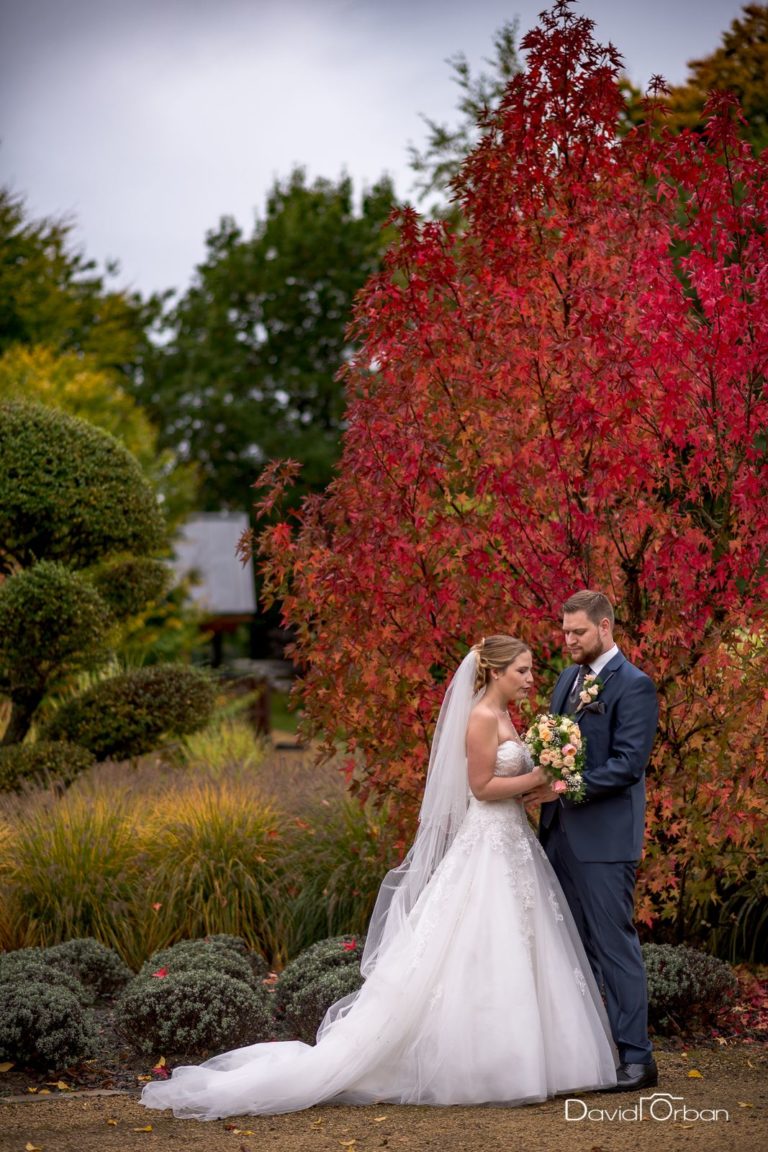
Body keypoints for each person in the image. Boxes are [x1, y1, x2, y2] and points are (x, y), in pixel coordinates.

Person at [141, 635, 617, 1121]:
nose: (530, 679)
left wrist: (550, 779)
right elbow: (482, 787)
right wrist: (537, 780)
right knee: (479, 943)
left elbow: (509, 785)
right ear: (495, 672)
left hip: (514, 842)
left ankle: (529, 1057)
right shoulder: (478, 718)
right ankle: (485, 1065)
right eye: (522, 670)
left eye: (530, 670)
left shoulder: (507, 718)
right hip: (488, 844)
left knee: (519, 944)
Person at [527, 591, 659, 1093]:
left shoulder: (635, 686)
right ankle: (590, 1053)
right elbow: (551, 742)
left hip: (604, 840)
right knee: (571, 946)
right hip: (558, 833)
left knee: (612, 946)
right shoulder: (567, 679)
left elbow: (629, 765)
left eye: (577, 632)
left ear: (605, 627)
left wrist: (561, 787)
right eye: (564, 632)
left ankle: (637, 1058)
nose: (568, 641)